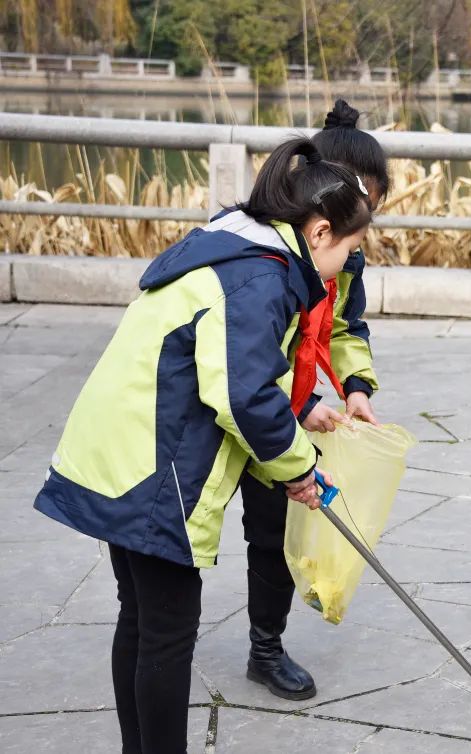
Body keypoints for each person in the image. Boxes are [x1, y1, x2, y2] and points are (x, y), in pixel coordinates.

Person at [33, 134, 371, 754]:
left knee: (140, 619)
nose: (344, 267)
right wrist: (299, 468)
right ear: (319, 232)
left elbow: (234, 371)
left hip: (120, 447)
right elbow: (243, 395)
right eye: (349, 248)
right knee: (164, 632)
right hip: (153, 465)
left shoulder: (234, 248)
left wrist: (294, 436)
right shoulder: (258, 279)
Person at [239, 98, 388, 701]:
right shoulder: (263, 255)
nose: (368, 219)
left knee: (272, 533)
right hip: (248, 401)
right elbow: (242, 359)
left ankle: (264, 647)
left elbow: (348, 329)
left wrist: (354, 387)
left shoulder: (343, 253)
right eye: (364, 201)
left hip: (280, 406)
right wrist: (294, 410)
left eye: (374, 206)